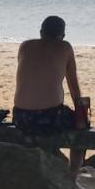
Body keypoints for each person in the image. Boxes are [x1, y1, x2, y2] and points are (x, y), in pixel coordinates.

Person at [13, 15, 86, 178]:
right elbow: (73, 86)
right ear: (63, 35)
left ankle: (55, 163)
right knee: (82, 133)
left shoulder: (25, 46)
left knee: (47, 137)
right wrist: (81, 113)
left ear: (41, 32)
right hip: (50, 116)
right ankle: (73, 177)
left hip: (21, 116)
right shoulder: (65, 47)